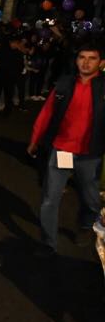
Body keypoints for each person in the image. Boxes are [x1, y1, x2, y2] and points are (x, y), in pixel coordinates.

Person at [26, 44, 104, 255]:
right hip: (62, 150)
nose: (86, 62)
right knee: (50, 199)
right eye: (82, 57)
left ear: (101, 62)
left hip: (90, 154)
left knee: (91, 200)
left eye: (92, 58)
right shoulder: (64, 84)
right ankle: (48, 244)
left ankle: (86, 225)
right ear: (76, 60)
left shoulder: (103, 88)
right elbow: (47, 113)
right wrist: (35, 139)